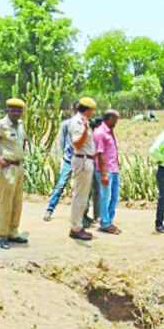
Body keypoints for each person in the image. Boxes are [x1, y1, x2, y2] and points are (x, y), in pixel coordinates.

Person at [0, 99, 28, 249]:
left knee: (17, 202)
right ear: (7, 110)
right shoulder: (1, 125)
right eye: (12, 109)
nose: (16, 112)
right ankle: (1, 235)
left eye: (18, 110)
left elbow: (23, 142)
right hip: (7, 167)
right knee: (6, 202)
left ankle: (13, 232)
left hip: (19, 166)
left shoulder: (20, 125)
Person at [44, 101, 79, 222]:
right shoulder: (66, 124)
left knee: (82, 188)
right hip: (69, 159)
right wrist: (63, 156)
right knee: (60, 185)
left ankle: (82, 214)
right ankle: (49, 209)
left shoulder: (85, 124)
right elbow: (62, 141)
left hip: (80, 160)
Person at [67, 97, 97, 241]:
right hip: (82, 159)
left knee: (82, 196)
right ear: (88, 109)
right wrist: (85, 131)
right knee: (80, 196)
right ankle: (76, 228)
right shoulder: (78, 122)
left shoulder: (83, 121)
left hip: (86, 160)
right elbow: (77, 144)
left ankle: (77, 225)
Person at [94, 110, 122, 234]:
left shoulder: (110, 132)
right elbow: (100, 154)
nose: (117, 122)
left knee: (114, 197)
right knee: (105, 197)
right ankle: (105, 223)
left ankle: (108, 221)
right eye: (115, 119)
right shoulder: (100, 133)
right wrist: (104, 174)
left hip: (114, 169)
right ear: (109, 118)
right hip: (105, 170)